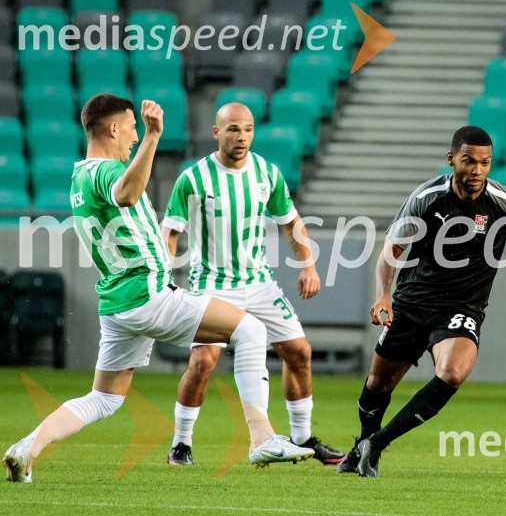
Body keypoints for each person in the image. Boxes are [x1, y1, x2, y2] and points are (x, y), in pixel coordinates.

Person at [3, 95, 314, 484]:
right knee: (251, 329)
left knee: (105, 398)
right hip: (147, 293)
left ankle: (27, 447)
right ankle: (262, 438)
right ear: (114, 128)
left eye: (139, 130)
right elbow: (126, 194)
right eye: (131, 128)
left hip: (116, 304)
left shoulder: (78, 177)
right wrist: (153, 136)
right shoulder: (104, 171)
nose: (134, 137)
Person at [336, 125, 506, 478]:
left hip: (462, 308)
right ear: (452, 159)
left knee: (453, 372)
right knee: (378, 384)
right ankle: (363, 446)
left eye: (485, 163)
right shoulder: (426, 197)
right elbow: (391, 252)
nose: (477, 171)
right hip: (412, 302)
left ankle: (378, 444)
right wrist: (383, 295)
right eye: (468, 161)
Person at [160, 103, 344, 466]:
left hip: (259, 283)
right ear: (216, 133)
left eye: (247, 129)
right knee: (204, 361)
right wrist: (165, 277)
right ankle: (180, 444)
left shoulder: (267, 173)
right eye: (232, 130)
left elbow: (291, 223)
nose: (241, 137)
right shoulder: (193, 178)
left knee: (300, 352)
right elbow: (171, 232)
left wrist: (308, 265)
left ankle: (302, 437)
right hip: (211, 283)